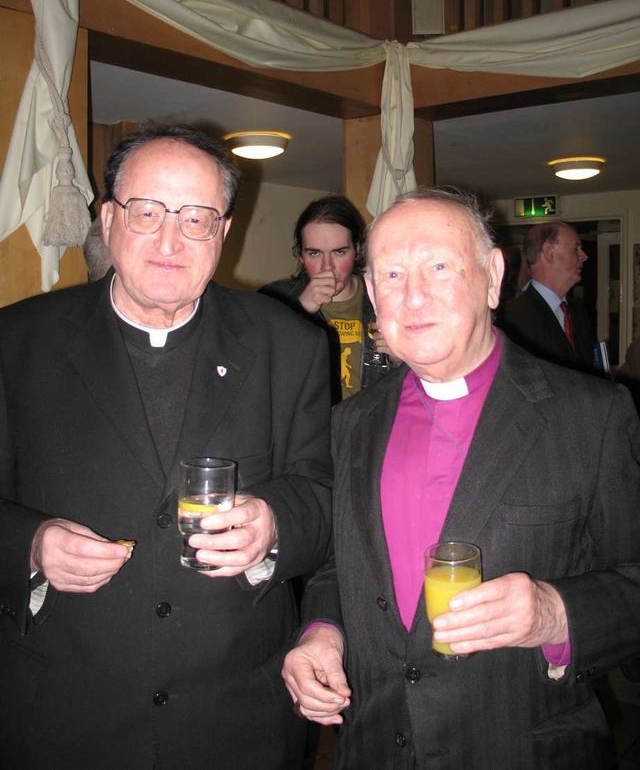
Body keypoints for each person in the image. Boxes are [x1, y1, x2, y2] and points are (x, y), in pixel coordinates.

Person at [0, 125, 334, 770]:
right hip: (61, 717)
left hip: (239, 722)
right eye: (147, 212)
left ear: (224, 232)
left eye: (197, 218)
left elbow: (325, 492)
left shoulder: (288, 344)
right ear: (107, 219)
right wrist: (30, 546)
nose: (169, 240)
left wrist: (274, 522)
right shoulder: (17, 341)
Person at [282, 187, 640, 769]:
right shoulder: (351, 423)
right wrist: (321, 631)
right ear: (372, 293)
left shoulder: (592, 416)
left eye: (440, 267)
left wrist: (554, 612)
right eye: (392, 275)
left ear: (493, 275)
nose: (414, 295)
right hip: (376, 749)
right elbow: (337, 561)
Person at [260, 195, 398, 403]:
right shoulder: (275, 299)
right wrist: (299, 310)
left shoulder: (389, 298)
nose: (327, 267)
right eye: (315, 254)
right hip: (306, 431)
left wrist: (401, 357)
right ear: (301, 255)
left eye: (339, 252)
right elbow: (255, 369)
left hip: (370, 428)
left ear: (357, 250)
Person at [499, 221, 595, 370]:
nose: (584, 256)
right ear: (549, 253)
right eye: (575, 249)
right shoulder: (516, 318)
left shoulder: (578, 312)